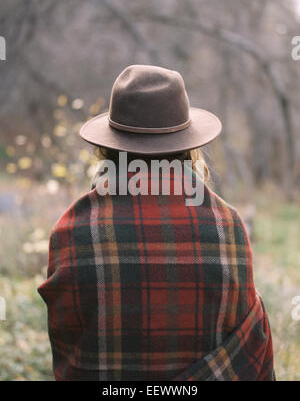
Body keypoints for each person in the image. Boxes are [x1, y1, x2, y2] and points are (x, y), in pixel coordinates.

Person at [38, 65, 275, 381]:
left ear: (107, 148)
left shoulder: (71, 230)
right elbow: (249, 350)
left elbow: (68, 346)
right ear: (189, 147)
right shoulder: (227, 225)